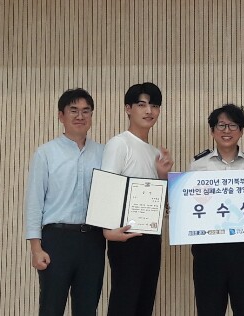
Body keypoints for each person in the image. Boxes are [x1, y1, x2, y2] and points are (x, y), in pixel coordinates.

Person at [24, 88, 106, 316]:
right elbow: (34, 202)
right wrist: (36, 248)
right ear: (61, 115)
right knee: (51, 308)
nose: (80, 116)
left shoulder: (103, 152)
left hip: (93, 240)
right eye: (73, 110)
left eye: (86, 111)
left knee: (87, 308)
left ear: (91, 115)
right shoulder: (46, 153)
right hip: (56, 240)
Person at [100, 82, 173, 316]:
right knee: (124, 303)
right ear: (128, 108)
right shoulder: (119, 143)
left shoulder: (155, 153)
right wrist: (107, 231)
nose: (149, 111)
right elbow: (107, 187)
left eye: (154, 105)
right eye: (141, 105)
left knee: (144, 303)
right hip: (126, 236)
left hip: (151, 237)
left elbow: (163, 204)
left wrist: (163, 176)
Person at [187, 103, 244, 316]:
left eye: (233, 125)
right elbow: (192, 206)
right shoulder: (198, 165)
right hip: (208, 254)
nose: (227, 131)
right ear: (212, 131)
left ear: (241, 131)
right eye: (221, 125)